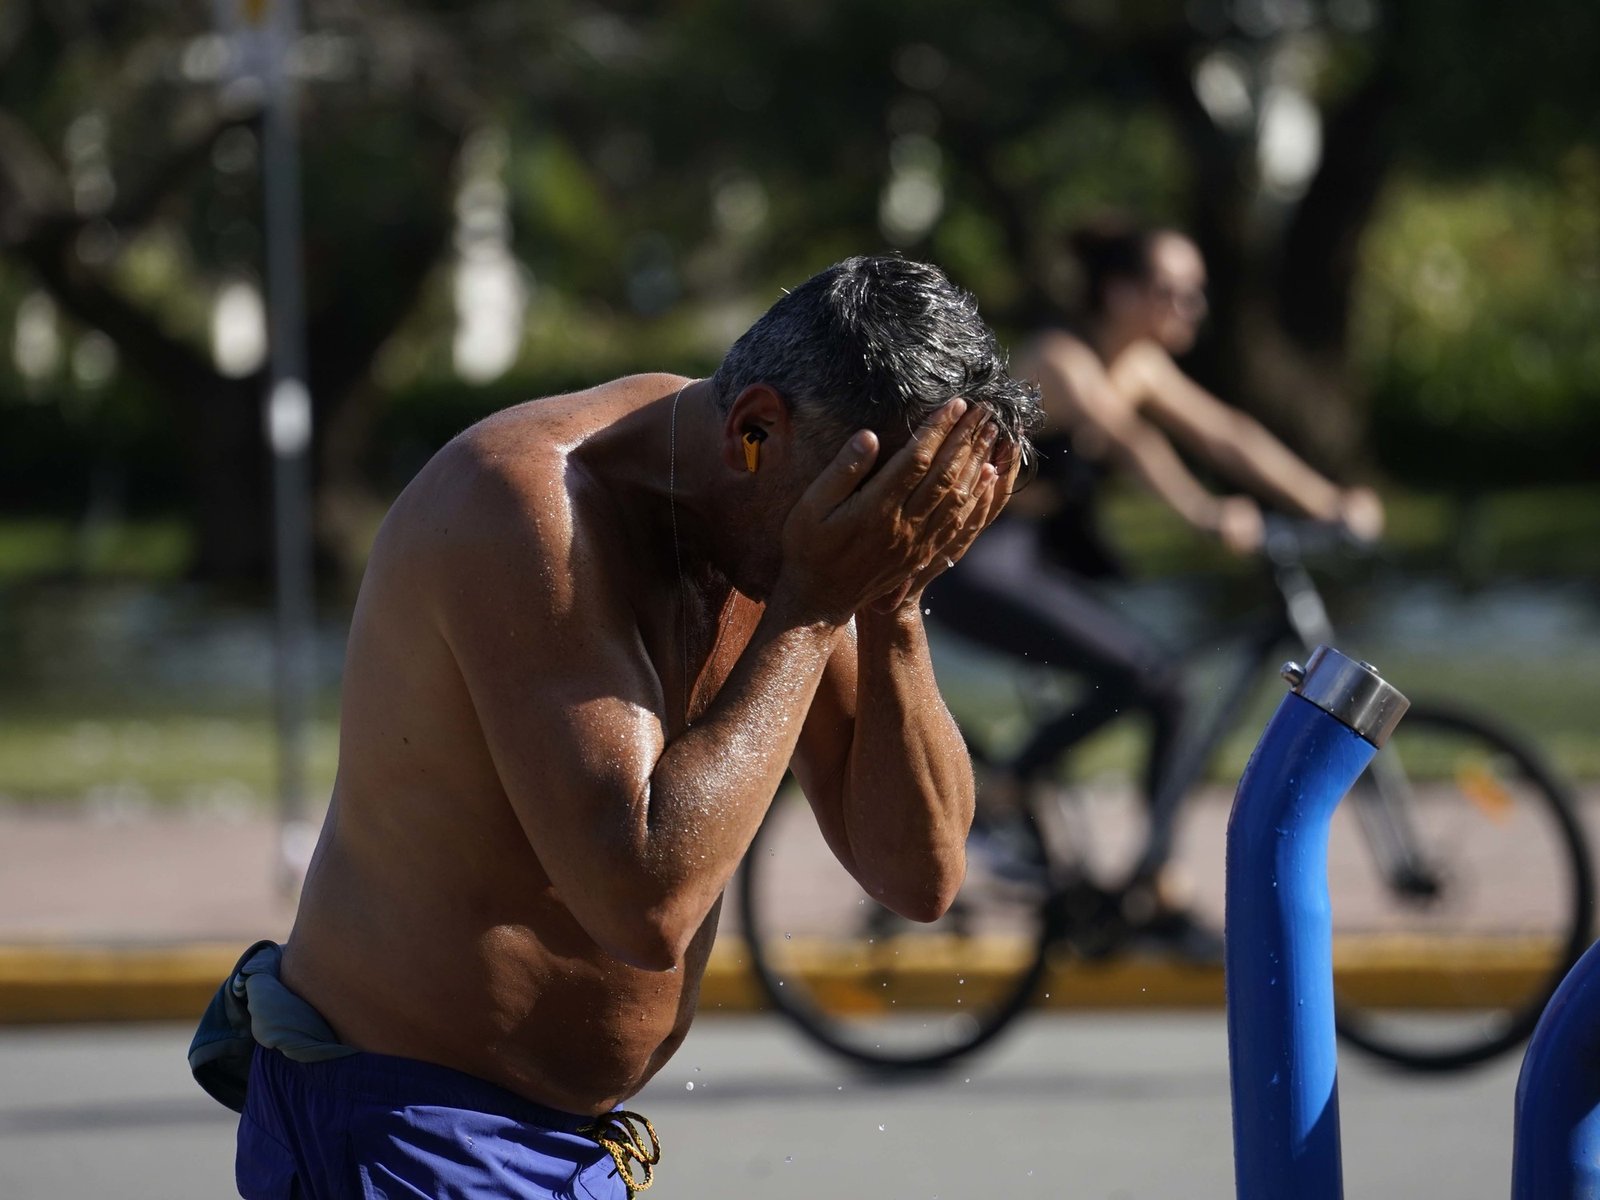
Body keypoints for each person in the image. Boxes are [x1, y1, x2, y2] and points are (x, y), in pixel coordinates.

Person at [188, 255, 1040, 1200]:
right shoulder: (523, 506)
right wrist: (813, 605)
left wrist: (894, 598)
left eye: (910, 514)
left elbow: (918, 873)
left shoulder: (804, 534)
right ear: (755, 430)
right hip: (405, 1126)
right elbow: (643, 902)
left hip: (569, 1148)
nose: (880, 532)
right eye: (872, 507)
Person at [926, 223, 1382, 954]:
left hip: (1032, 562)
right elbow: (1133, 441)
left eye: (1196, 293)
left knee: (1167, 687)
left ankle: (1155, 878)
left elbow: (1226, 434)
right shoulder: (1063, 359)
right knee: (1148, 675)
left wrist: (1327, 500)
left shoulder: (1136, 365)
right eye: (1173, 292)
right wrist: (1202, 513)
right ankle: (1003, 784)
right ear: (1118, 294)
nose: (1191, 308)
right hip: (975, 566)